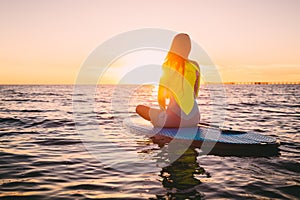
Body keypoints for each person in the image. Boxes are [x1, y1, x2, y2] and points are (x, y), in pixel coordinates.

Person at [136, 33, 200, 128]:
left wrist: (163, 113)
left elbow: (161, 98)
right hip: (195, 119)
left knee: (139, 108)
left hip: (174, 121)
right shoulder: (195, 65)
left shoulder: (167, 65)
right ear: (189, 47)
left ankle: (161, 121)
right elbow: (195, 94)